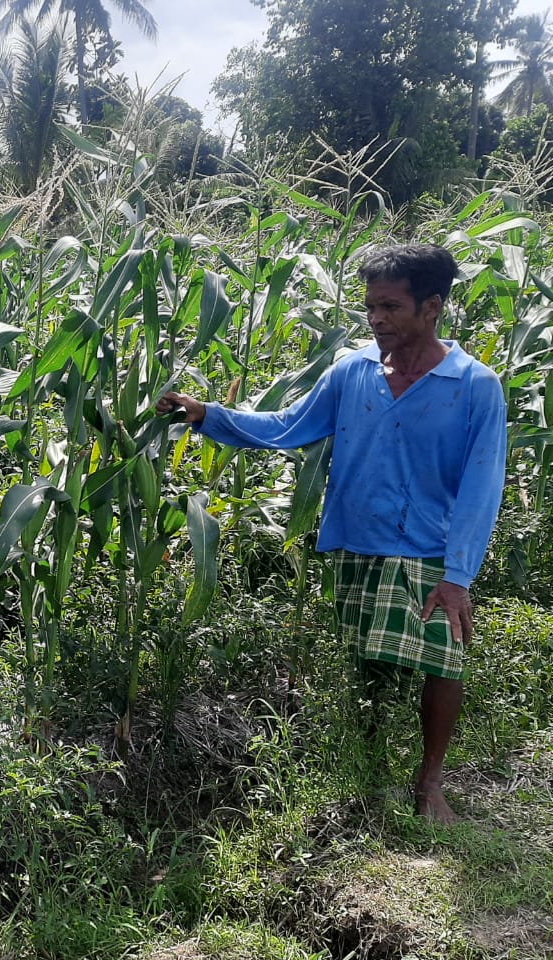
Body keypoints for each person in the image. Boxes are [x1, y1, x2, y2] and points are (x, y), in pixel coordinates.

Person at [157, 243, 506, 825]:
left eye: (391, 307)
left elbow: (482, 484)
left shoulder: (473, 384)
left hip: (430, 547)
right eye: (371, 307)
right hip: (357, 540)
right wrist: (207, 415)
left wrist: (458, 575)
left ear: (432, 307)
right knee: (367, 666)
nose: (376, 319)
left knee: (442, 662)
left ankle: (429, 783)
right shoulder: (353, 372)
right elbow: (289, 426)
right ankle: (369, 774)